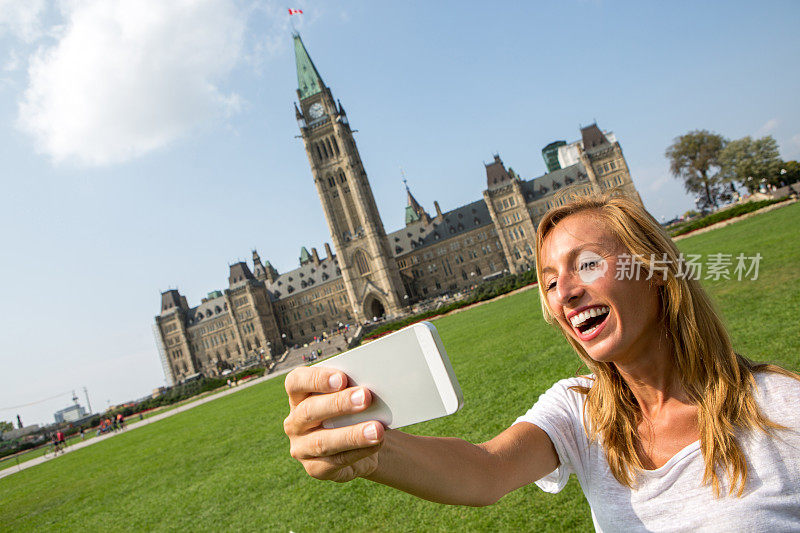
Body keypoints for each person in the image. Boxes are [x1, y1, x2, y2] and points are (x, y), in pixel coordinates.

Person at [283, 191, 800, 531]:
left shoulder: (783, 409)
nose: (566, 292)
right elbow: (483, 471)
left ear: (657, 268)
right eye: (550, 281)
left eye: (588, 265)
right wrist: (366, 448)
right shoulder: (583, 412)